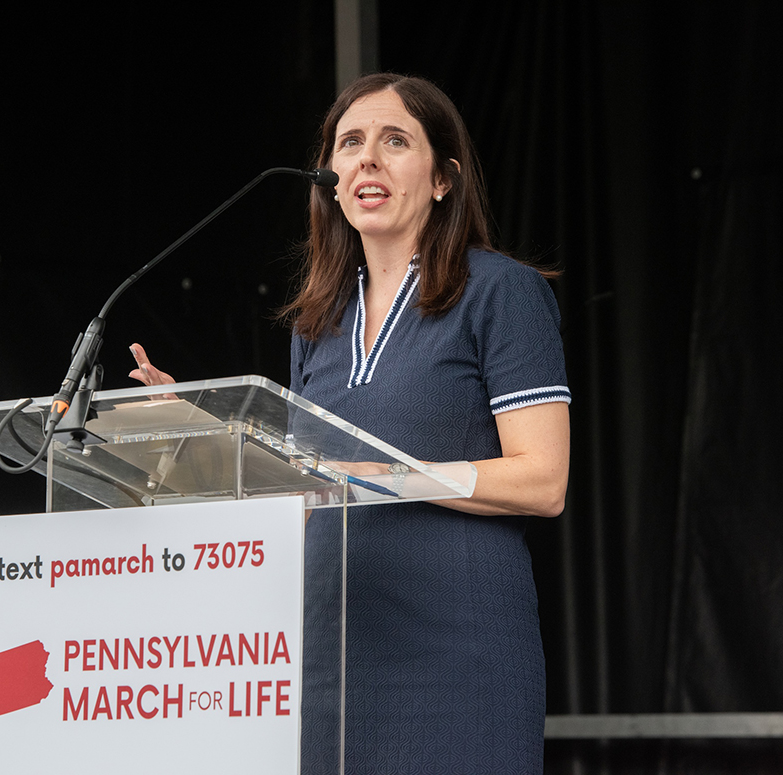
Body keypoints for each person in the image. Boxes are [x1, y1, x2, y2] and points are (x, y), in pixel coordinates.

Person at [130, 72, 570, 773]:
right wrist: (213, 437)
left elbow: (544, 480)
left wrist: (386, 476)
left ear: (443, 180)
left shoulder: (501, 292)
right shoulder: (317, 323)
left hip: (457, 648)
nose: (367, 158)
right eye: (351, 142)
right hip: (333, 646)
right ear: (330, 177)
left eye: (396, 141)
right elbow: (308, 489)